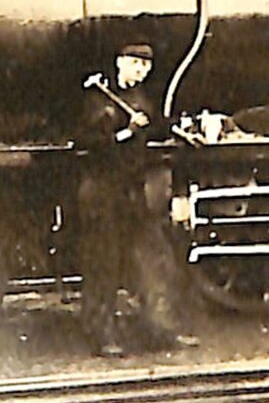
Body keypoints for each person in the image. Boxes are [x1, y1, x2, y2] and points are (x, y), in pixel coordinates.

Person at [77, 40, 197, 356]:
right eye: (135, 64)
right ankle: (102, 336)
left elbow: (154, 130)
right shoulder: (97, 99)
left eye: (145, 66)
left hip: (131, 193)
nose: (140, 71)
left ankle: (162, 330)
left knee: (153, 260)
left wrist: (181, 128)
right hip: (101, 192)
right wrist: (127, 131)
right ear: (119, 63)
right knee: (103, 265)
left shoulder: (140, 99)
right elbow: (89, 145)